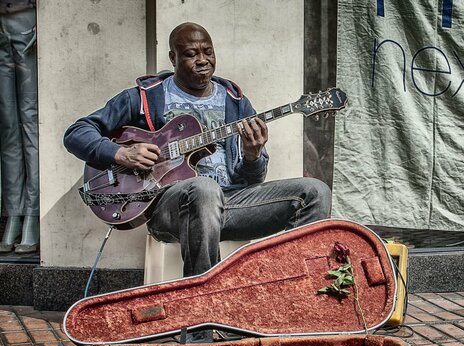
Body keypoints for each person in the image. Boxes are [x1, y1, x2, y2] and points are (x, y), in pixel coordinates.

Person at [64, 22, 331, 276]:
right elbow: (77, 133)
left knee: (315, 192)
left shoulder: (234, 100)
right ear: (173, 57)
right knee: (204, 188)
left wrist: (253, 156)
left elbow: (252, 179)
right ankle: (201, 310)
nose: (202, 60)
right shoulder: (147, 96)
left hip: (232, 205)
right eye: (191, 54)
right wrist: (122, 154)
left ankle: (288, 288)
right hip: (173, 210)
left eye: (208, 52)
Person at [0, 0, 40, 254]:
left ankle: (32, 214)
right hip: (2, 22)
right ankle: (14, 212)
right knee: (8, 126)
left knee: (30, 123)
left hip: (28, 17)